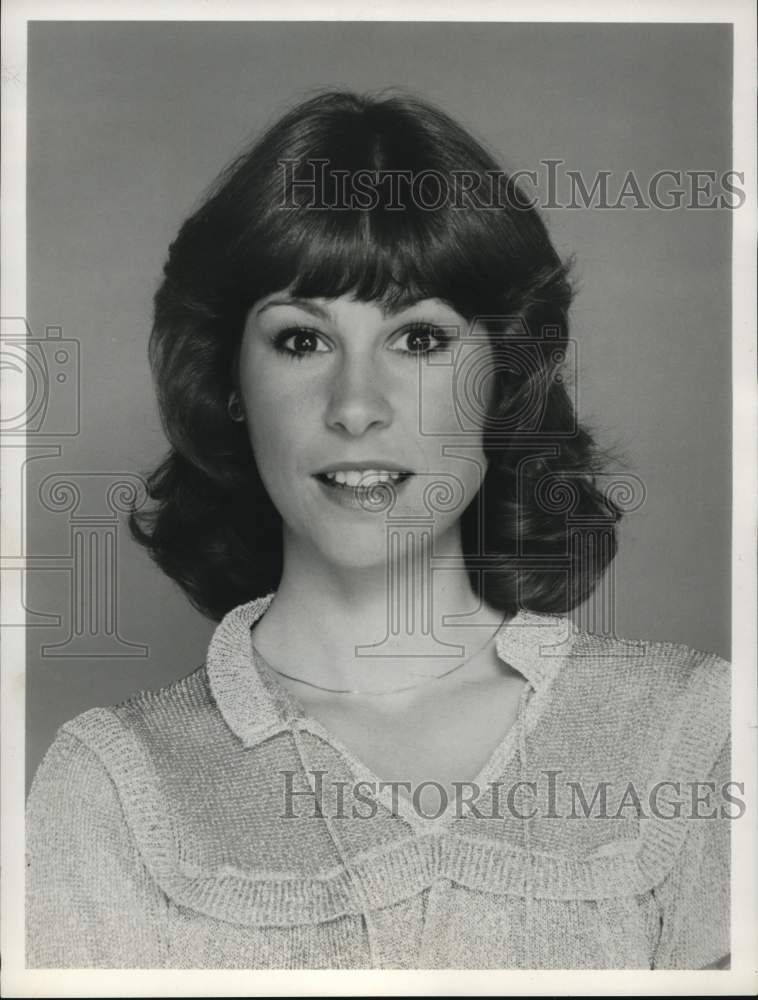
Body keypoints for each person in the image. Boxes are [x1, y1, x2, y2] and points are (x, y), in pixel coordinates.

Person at [25, 89, 731, 970]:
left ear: (505, 380)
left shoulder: (697, 737)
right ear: (230, 384)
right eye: (301, 342)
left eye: (421, 341)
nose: (356, 407)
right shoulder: (115, 789)